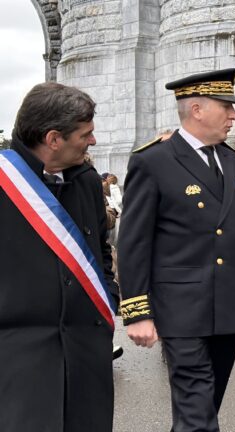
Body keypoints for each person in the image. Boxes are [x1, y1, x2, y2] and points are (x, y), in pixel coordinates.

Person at [117, 68, 235, 432]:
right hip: (180, 310)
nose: (234, 116)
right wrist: (137, 311)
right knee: (196, 409)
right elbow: (134, 242)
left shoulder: (233, 160)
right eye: (227, 107)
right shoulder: (153, 161)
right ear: (197, 109)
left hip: (227, 306)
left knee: (205, 406)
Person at [0, 82, 118, 431]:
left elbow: (102, 251)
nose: (92, 141)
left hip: (86, 357)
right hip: (19, 360)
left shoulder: (86, 182)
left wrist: (108, 298)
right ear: (53, 139)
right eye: (85, 134)